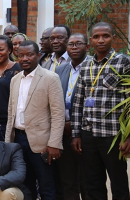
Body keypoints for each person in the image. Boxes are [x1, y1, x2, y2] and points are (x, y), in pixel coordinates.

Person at [71, 22, 130, 200]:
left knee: (118, 183)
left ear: (114, 38)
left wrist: (128, 136)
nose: (101, 40)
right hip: (89, 134)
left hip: (113, 136)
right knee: (93, 183)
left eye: (105, 36)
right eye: (96, 37)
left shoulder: (123, 62)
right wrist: (76, 134)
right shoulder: (86, 64)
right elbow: (78, 101)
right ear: (91, 41)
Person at [5, 40, 65, 200]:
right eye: (21, 55)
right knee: (26, 187)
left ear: (38, 55)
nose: (25, 58)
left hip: (42, 144)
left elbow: (58, 113)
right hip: (18, 140)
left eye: (29, 55)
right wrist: (8, 143)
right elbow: (11, 112)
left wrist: (54, 143)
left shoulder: (50, 78)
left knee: (46, 188)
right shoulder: (15, 80)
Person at [53, 33, 90, 200]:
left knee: (89, 181)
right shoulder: (61, 69)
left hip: (85, 132)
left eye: (78, 44)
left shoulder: (93, 67)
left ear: (87, 47)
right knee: (68, 181)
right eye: (71, 45)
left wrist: (74, 126)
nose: (74, 47)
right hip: (63, 133)